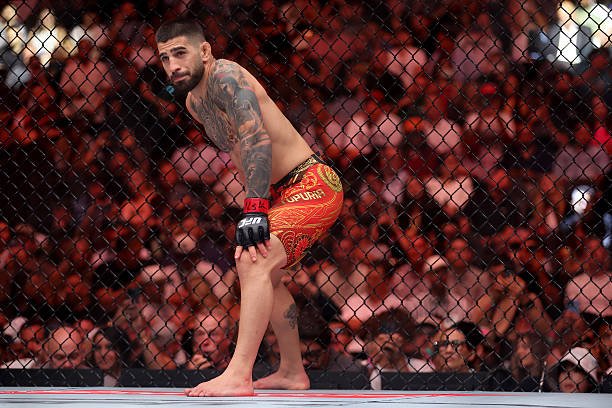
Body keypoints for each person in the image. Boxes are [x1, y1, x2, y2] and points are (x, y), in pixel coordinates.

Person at [155, 18, 344, 396]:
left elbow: (257, 139)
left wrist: (254, 207)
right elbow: (241, 153)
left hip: (313, 184)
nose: (172, 65)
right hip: (278, 192)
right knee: (265, 273)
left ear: (204, 51)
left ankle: (239, 373)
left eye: (180, 53)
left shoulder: (228, 77)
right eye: (164, 58)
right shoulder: (194, 102)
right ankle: (292, 371)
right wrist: (257, 201)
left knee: (252, 259)